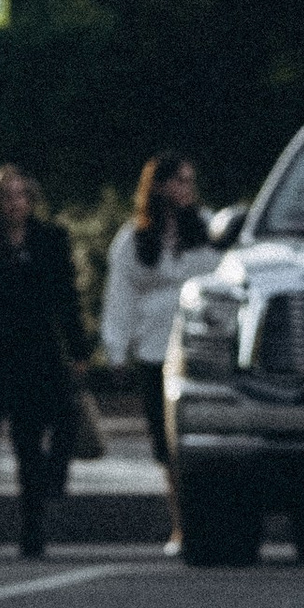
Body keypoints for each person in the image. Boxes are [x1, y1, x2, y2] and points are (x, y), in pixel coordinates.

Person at [0, 166, 88, 557]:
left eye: (22, 195)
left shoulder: (49, 240)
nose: (16, 203)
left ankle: (32, 528)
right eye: (7, 195)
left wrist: (78, 349)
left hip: (36, 350)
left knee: (29, 443)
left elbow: (66, 298)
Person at [100, 149, 216, 553]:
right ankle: (180, 525)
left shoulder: (207, 229)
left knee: (199, 439)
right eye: (179, 181)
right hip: (154, 351)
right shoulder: (134, 240)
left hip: (200, 347)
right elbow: (120, 297)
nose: (187, 189)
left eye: (190, 181)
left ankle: (206, 521)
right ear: (160, 186)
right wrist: (116, 349)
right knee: (166, 446)